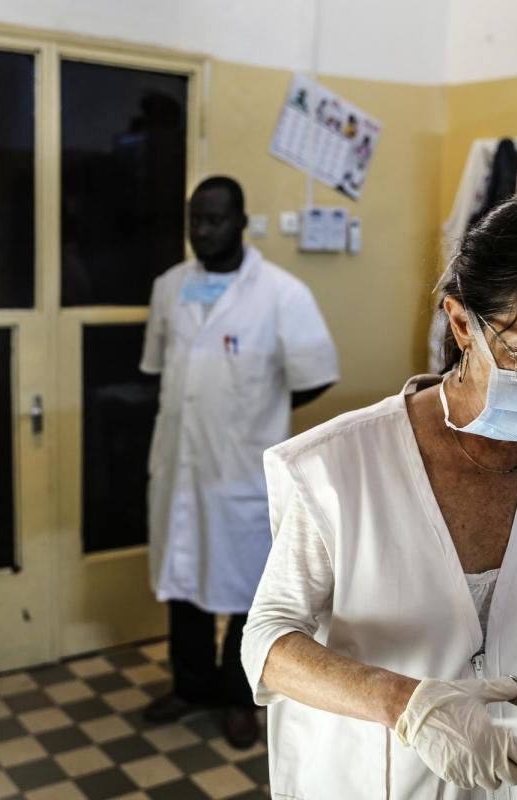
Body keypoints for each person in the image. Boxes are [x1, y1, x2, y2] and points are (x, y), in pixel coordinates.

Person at [242, 193, 517, 798]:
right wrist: (407, 704)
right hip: (379, 780)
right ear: (461, 323)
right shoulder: (337, 465)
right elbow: (268, 642)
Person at [139, 175, 339, 748]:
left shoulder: (282, 293)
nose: (202, 231)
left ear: (241, 222)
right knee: (183, 581)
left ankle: (238, 696)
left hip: (239, 471)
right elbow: (160, 369)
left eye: (215, 219)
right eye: (194, 220)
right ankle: (190, 687)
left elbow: (314, 377)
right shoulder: (168, 287)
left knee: (248, 591)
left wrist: (256, 409)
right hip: (179, 465)